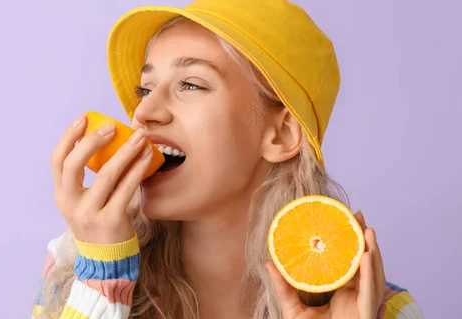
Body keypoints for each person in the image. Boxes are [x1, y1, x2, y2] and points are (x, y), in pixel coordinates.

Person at [32, 0, 424, 318]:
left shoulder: (378, 310)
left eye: (190, 84)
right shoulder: (73, 268)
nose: (143, 113)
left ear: (281, 134)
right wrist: (104, 275)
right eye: (145, 88)